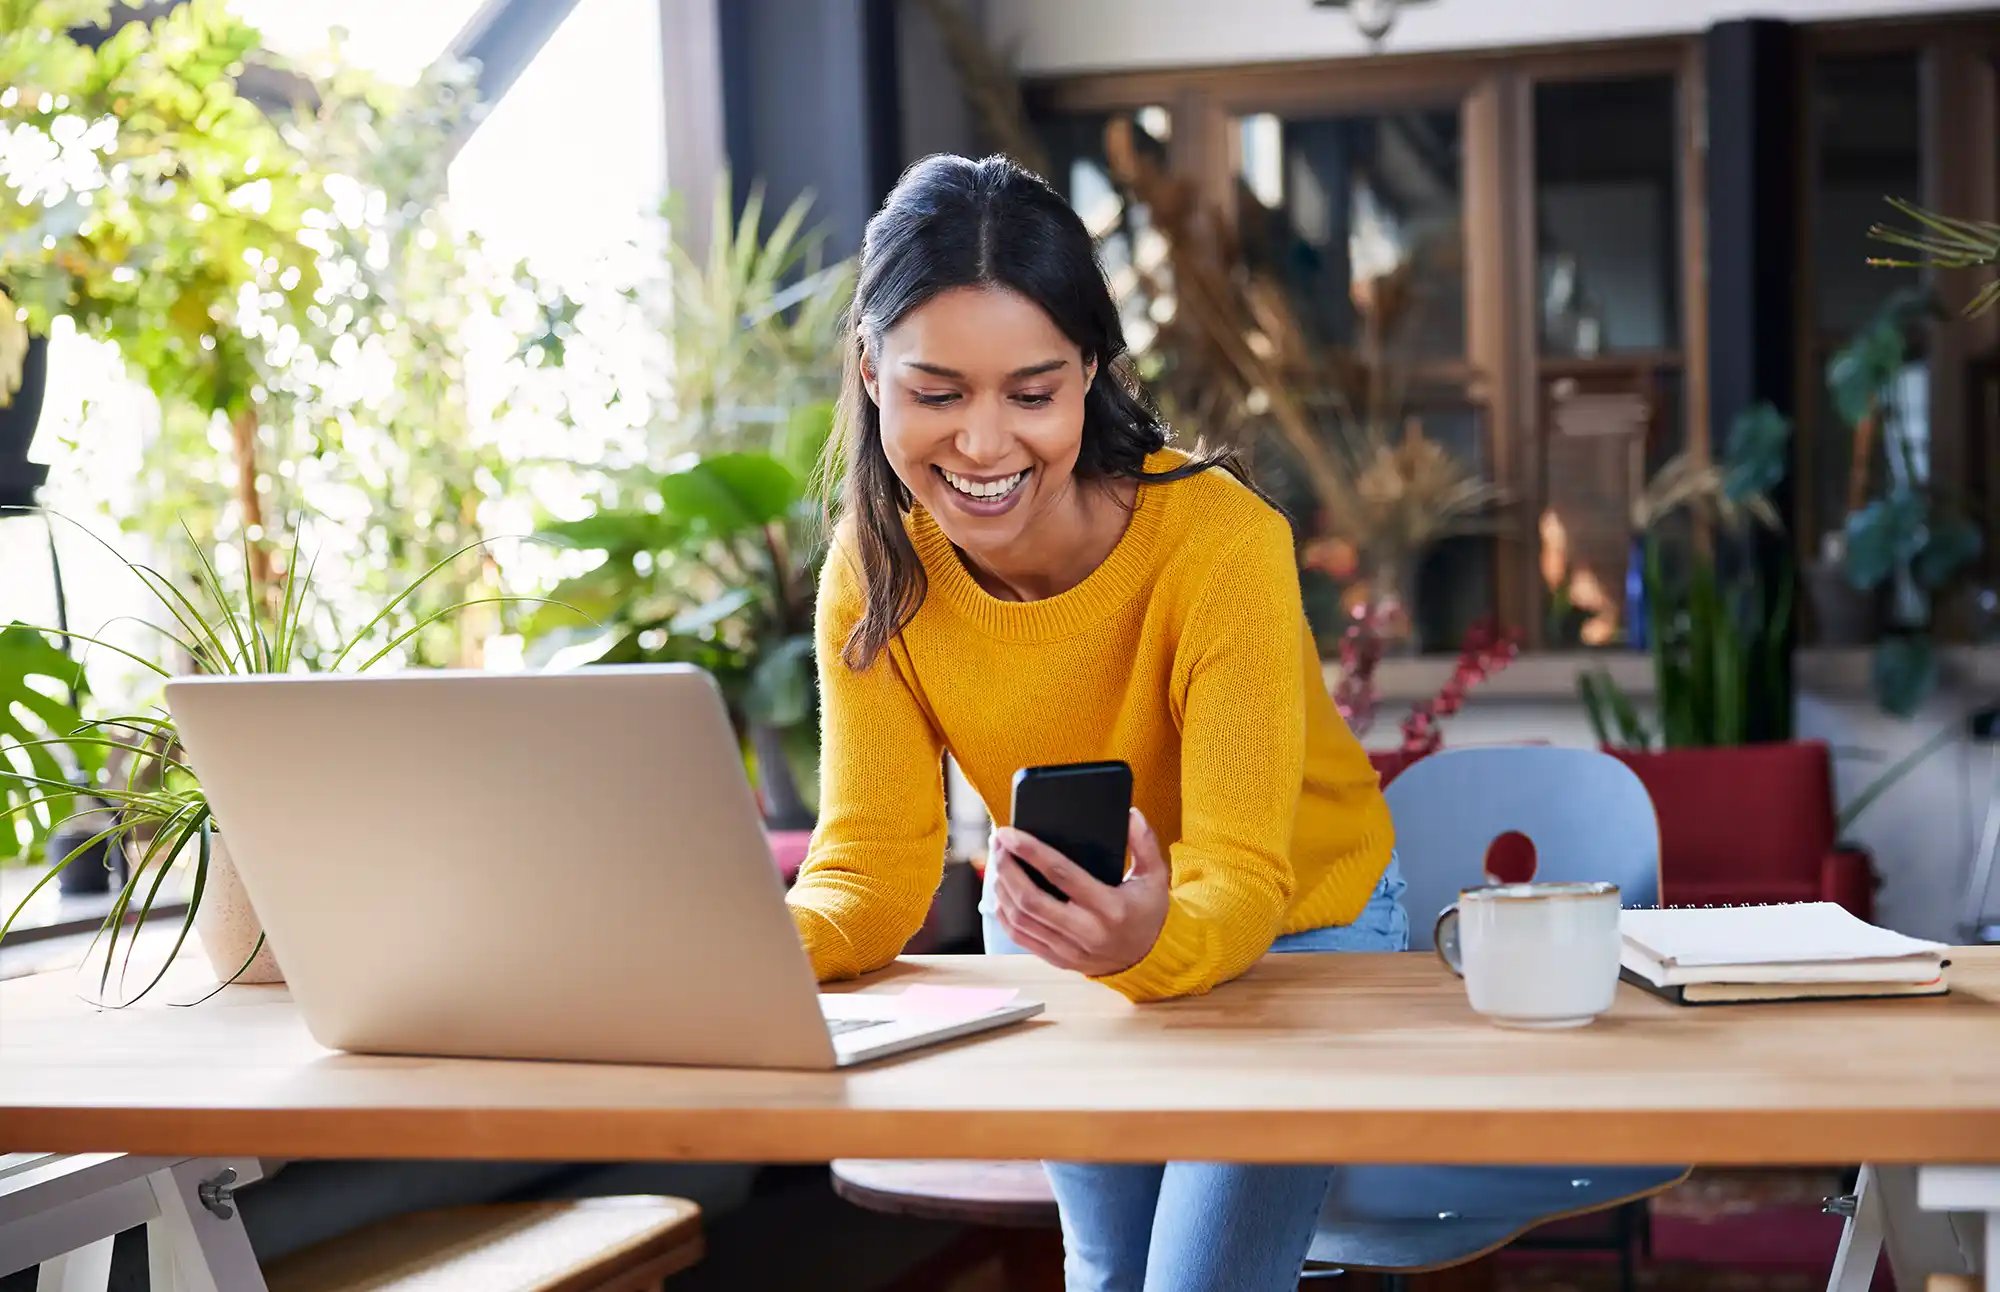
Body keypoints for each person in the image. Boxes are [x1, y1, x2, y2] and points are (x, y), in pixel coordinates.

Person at [785, 152, 1407, 1292]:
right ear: (871, 373)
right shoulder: (875, 572)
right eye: (936, 393)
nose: (982, 445)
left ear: (1090, 377)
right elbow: (869, 867)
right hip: (1068, 923)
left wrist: (1145, 940)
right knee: (1109, 1264)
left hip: (1297, 928)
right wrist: (750, 952)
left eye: (1031, 393)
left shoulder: (1218, 546)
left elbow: (1241, 871)